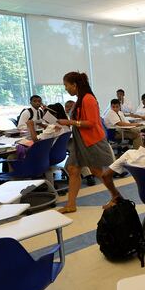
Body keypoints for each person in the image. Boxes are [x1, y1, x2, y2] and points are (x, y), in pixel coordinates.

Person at [55, 72, 114, 213]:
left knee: (97, 171)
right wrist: (65, 124)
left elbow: (92, 123)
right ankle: (71, 204)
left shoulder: (88, 99)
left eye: (66, 85)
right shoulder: (80, 99)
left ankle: (116, 197)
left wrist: (69, 122)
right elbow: (80, 120)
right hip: (79, 141)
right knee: (73, 169)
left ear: (74, 85)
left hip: (92, 140)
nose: (66, 88)